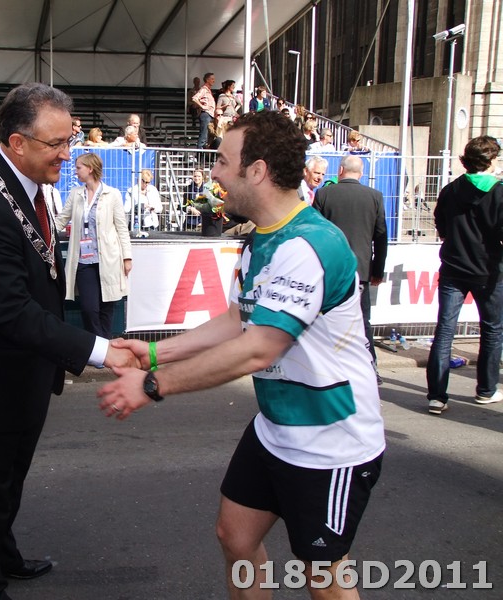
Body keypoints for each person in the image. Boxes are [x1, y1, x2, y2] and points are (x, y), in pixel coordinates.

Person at [97, 110, 385, 600]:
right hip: (277, 430)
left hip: (331, 441)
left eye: (223, 162)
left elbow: (257, 348)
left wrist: (152, 384)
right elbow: (238, 318)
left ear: (257, 171)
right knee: (235, 537)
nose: (214, 173)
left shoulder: (309, 245)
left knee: (323, 576)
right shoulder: (262, 238)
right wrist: (153, 353)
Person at [0, 82, 137, 600]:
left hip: (21, 374)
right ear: (17, 143)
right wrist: (101, 349)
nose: (67, 154)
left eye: (70, 140)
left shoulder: (26, 185)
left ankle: (1, 556)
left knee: (6, 484)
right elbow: (11, 310)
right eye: (56, 143)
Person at [426, 135, 503, 415]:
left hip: (454, 267)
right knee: (492, 330)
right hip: (488, 270)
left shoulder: (451, 189)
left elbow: (440, 223)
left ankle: (437, 396)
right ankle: (486, 390)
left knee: (445, 331)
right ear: (490, 160)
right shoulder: (498, 191)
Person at [314, 154, 388, 385]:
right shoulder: (374, 196)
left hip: (331, 268)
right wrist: (378, 270)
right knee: (363, 321)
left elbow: (314, 231)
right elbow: (381, 237)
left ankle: (326, 369)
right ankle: (370, 368)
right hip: (361, 269)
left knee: (326, 319)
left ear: (340, 171)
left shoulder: (324, 194)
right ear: (361, 173)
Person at [55, 153, 132, 338]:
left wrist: (127, 257)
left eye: (78, 167)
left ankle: (103, 348)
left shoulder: (112, 194)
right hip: (84, 260)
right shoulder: (76, 194)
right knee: (89, 308)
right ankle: (101, 346)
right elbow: (61, 219)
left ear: (90, 169)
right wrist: (40, 230)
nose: (75, 171)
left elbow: (122, 228)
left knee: (107, 306)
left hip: (109, 260)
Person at [191, 72, 216, 149]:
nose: (214, 81)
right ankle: (200, 151)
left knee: (207, 134)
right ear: (207, 80)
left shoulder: (208, 90)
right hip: (206, 114)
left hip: (209, 114)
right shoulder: (204, 89)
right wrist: (202, 106)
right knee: (204, 134)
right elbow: (194, 98)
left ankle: (202, 151)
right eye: (212, 79)